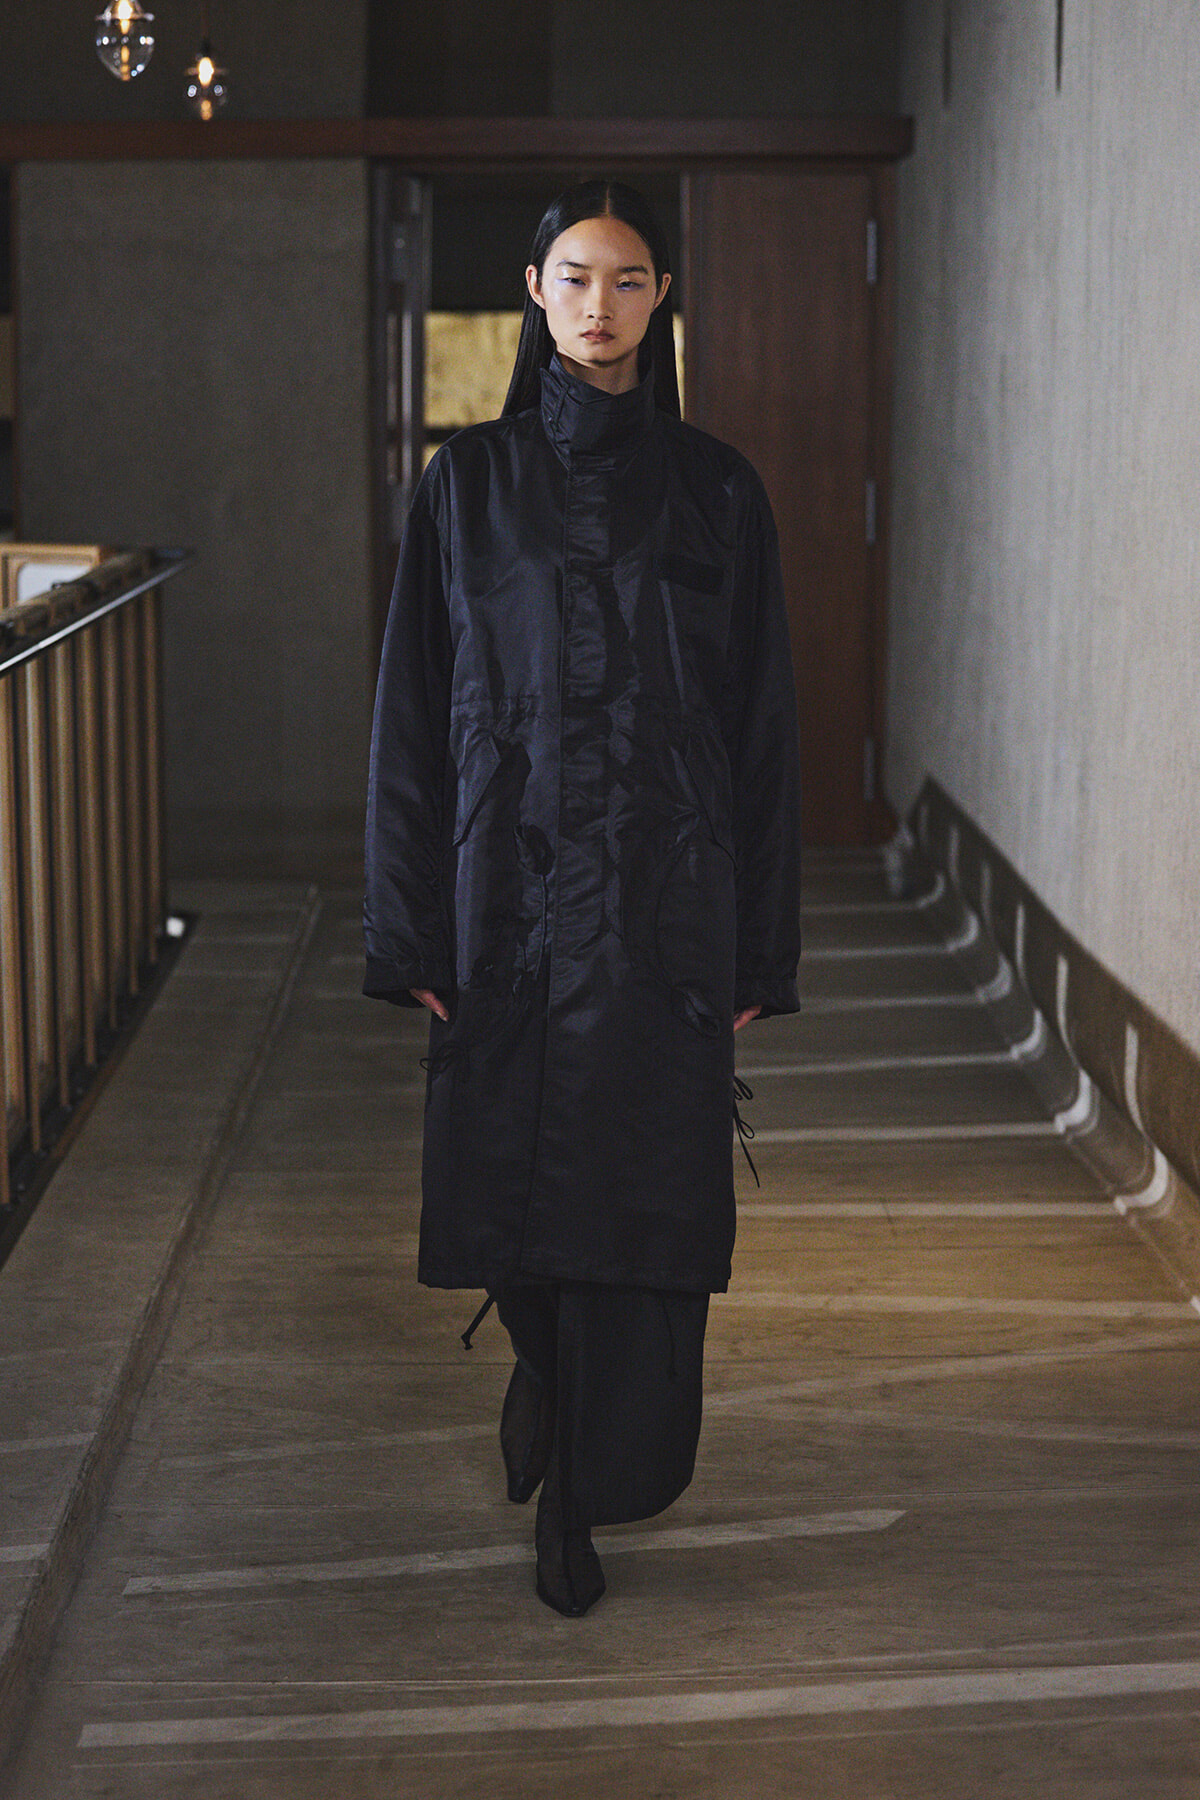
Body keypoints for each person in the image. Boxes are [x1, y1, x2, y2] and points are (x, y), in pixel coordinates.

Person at [364, 178, 801, 1617]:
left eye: (625, 280)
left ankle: (581, 1502)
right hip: (505, 899)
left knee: (643, 1203)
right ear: (536, 291)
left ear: (660, 296)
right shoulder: (466, 488)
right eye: (573, 277)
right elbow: (413, 719)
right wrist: (409, 927)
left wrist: (762, 945)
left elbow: (761, 733)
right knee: (510, 1182)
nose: (598, 305)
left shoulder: (719, 490)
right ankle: (543, 1383)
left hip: (670, 906)